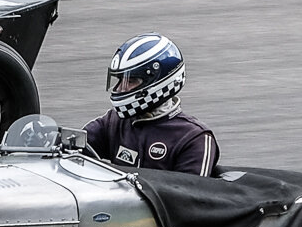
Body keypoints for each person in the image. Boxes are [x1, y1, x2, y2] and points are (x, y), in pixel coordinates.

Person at [83, 34, 220, 176]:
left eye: (130, 81)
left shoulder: (193, 138)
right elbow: (73, 146)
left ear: (157, 83)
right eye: (120, 80)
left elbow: (192, 194)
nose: (119, 89)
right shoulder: (113, 122)